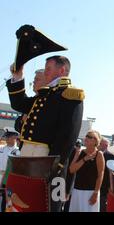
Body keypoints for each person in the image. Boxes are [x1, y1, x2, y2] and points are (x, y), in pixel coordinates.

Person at [6, 55, 84, 211]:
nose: (45, 72)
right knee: (24, 203)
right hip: (28, 158)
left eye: (48, 68)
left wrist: (55, 165)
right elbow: (19, 103)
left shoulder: (70, 94)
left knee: (47, 206)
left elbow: (68, 135)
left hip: (49, 162)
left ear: (62, 70)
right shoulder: (44, 95)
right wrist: (18, 75)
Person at [69, 130, 105, 212]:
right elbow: (71, 170)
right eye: (86, 136)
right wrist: (84, 159)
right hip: (77, 191)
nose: (86, 138)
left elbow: (100, 175)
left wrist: (96, 193)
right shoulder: (80, 152)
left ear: (95, 141)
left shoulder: (99, 154)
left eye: (89, 137)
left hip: (90, 192)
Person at [0, 128, 20, 212]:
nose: (7, 139)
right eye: (6, 137)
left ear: (14, 138)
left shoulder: (18, 152)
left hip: (9, 179)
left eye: (9, 137)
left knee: (7, 201)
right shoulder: (1, 148)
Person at [98, 138, 114, 212]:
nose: (99, 145)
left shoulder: (111, 157)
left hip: (104, 187)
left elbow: (111, 174)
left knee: (101, 206)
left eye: (100, 144)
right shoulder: (94, 154)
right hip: (92, 185)